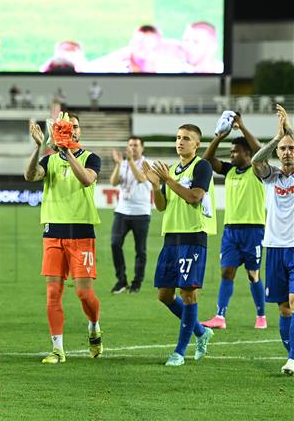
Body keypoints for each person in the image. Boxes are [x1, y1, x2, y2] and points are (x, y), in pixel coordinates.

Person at [24, 113, 104, 364]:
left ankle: (94, 326)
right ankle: (57, 349)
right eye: (67, 129)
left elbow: (87, 179)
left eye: (75, 128)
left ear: (79, 132)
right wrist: (39, 147)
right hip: (53, 232)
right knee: (53, 293)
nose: (72, 132)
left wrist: (67, 150)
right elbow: (30, 176)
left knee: (83, 294)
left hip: (82, 232)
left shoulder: (91, 157)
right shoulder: (49, 161)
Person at [142, 124, 215, 366]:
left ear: (197, 145)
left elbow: (195, 196)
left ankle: (180, 352)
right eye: (178, 137)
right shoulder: (171, 170)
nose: (180, 142)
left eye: (186, 138)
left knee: (188, 293)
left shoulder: (201, 166)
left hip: (193, 236)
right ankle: (201, 331)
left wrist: (168, 180)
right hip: (171, 237)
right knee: (164, 295)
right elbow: (162, 206)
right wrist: (155, 186)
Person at [200, 113, 266, 330]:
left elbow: (260, 151)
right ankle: (220, 317)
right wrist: (219, 136)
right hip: (231, 230)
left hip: (254, 230)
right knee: (227, 272)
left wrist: (242, 126)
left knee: (252, 274)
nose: (231, 155)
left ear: (246, 153)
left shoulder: (257, 171)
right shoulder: (229, 171)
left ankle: (261, 316)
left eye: (235, 151)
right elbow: (207, 161)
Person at [250, 104, 294, 375]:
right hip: (274, 247)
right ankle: (291, 353)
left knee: (293, 300)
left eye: (291, 148)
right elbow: (256, 160)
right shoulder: (271, 177)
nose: (287, 153)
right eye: (283, 149)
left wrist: (289, 131)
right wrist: (278, 138)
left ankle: (292, 358)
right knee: (283, 308)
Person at [109, 137, 152, 294]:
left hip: (141, 212)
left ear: (142, 148)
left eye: (135, 145)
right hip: (122, 211)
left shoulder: (148, 164)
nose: (132, 148)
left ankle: (136, 283)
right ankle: (121, 281)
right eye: (130, 145)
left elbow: (141, 179)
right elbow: (114, 183)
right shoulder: (124, 163)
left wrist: (130, 161)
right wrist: (119, 164)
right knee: (115, 244)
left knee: (140, 250)